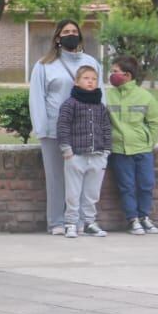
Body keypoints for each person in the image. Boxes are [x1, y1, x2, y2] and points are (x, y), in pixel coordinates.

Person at [29, 19, 101, 235]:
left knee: (80, 177)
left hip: (82, 131)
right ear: (58, 37)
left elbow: (100, 95)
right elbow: (37, 97)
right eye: (66, 31)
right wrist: (41, 128)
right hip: (53, 130)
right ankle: (56, 222)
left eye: (74, 31)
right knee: (56, 178)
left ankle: (78, 220)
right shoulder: (44, 65)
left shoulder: (91, 62)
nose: (71, 34)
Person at [106, 55, 158, 235]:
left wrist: (150, 142)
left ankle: (144, 217)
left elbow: (153, 122)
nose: (111, 75)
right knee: (126, 186)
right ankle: (133, 219)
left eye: (115, 72)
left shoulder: (145, 96)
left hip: (142, 149)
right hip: (119, 150)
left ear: (127, 75)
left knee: (146, 184)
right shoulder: (107, 96)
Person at [57, 64, 112, 239]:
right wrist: (67, 150)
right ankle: (71, 223)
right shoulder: (70, 104)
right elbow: (63, 126)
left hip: (97, 155)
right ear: (77, 81)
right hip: (76, 155)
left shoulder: (100, 106)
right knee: (73, 193)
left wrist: (106, 151)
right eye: (86, 78)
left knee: (92, 193)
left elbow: (106, 128)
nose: (90, 82)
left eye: (94, 79)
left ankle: (89, 222)